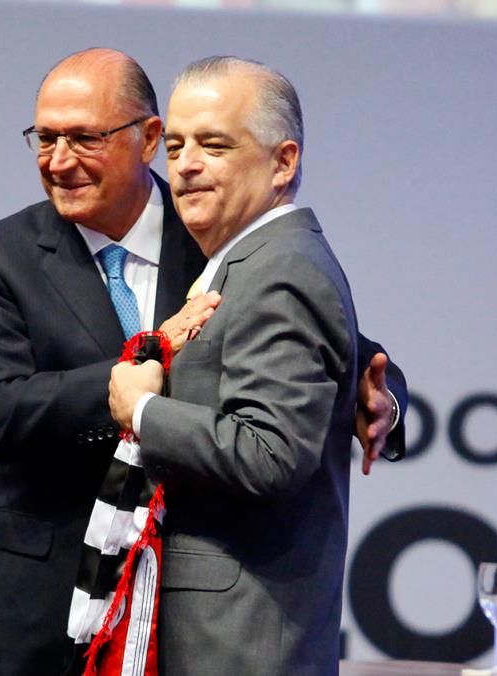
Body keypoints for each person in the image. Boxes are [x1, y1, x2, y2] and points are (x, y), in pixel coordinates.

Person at [0, 48, 405, 676]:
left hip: (179, 606)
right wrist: (128, 383)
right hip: (36, 605)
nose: (59, 161)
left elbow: (329, 337)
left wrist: (382, 397)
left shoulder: (217, 226)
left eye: (84, 138)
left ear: (146, 138)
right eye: (45, 139)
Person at [108, 56, 362, 675]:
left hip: (242, 641)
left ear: (283, 162)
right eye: (175, 146)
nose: (185, 165)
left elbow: (269, 453)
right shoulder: (245, 261)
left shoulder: (281, 270)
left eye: (214, 145)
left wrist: (143, 410)